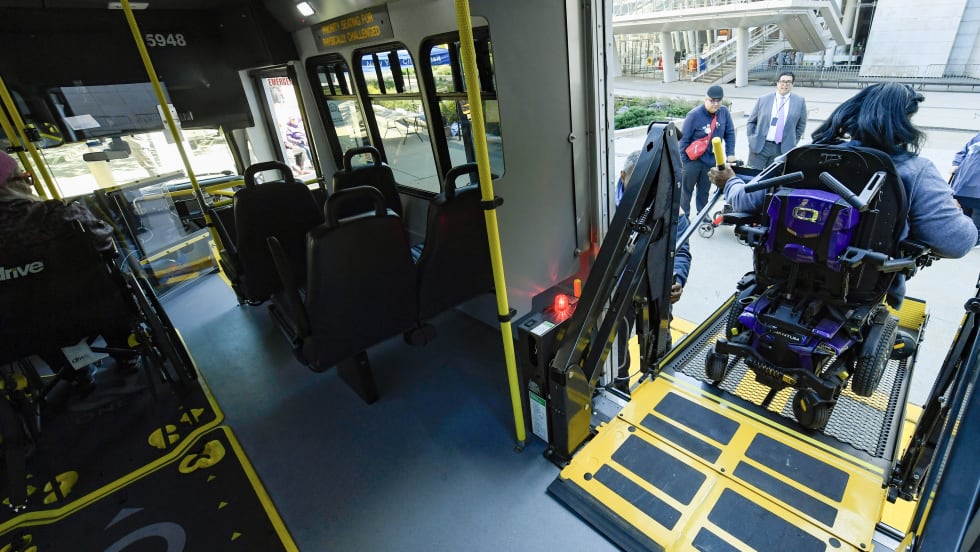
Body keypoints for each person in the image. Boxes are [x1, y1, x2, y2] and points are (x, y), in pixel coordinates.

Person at [708, 82, 977, 307]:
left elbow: (744, 199)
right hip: (861, 293)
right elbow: (957, 242)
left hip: (785, 275)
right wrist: (955, 211)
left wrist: (729, 181)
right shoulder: (915, 171)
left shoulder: (803, 156)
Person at [0, 150, 138, 389]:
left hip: (23, 333)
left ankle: (74, 373)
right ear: (14, 185)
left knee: (31, 319)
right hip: (92, 308)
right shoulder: (59, 215)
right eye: (23, 176)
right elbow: (105, 243)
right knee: (105, 285)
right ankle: (126, 353)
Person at [614, 150, 692, 391]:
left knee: (659, 341)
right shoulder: (603, 204)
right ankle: (620, 390)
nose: (643, 194)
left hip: (656, 285)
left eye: (650, 186)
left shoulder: (671, 209)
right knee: (616, 345)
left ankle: (659, 388)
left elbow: (680, 251)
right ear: (623, 176)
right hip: (619, 289)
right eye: (637, 185)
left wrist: (676, 278)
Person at [679, 85, 736, 220]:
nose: (715, 104)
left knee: (704, 190)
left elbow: (730, 133)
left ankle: (702, 214)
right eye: (712, 101)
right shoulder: (694, 115)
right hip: (692, 160)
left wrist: (730, 153)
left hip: (710, 159)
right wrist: (683, 162)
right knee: (686, 191)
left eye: (718, 101)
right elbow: (683, 140)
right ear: (706, 99)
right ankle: (683, 217)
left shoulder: (724, 113)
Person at [745, 71, 808, 169]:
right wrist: (752, 138)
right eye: (782, 81)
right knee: (753, 177)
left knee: (773, 179)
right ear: (777, 83)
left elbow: (801, 125)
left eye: (788, 82)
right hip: (760, 146)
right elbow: (751, 121)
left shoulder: (799, 101)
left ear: (793, 84)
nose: (785, 84)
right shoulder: (763, 99)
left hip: (782, 149)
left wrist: (793, 141)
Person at [950, 131, 980, 247]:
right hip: (964, 184)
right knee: (965, 215)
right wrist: (956, 163)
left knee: (976, 217)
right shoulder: (977, 138)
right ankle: (967, 237)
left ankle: (973, 239)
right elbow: (962, 152)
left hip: (974, 190)